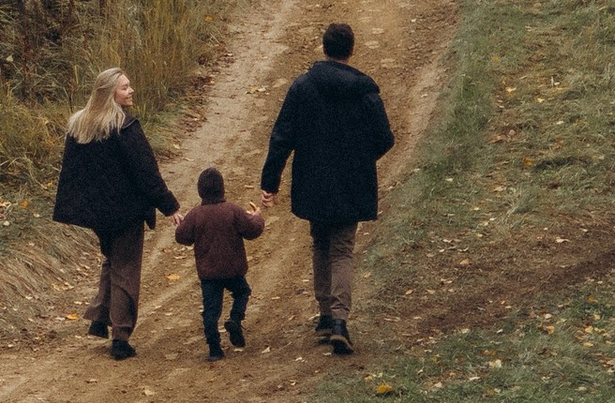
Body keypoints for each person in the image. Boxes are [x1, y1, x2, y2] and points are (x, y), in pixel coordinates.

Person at [258, 21, 394, 357]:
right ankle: (339, 321)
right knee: (343, 249)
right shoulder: (365, 92)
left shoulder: (303, 87)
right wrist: (362, 159)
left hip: (313, 180)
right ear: (352, 50)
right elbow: (385, 139)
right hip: (351, 182)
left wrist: (269, 184)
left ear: (323, 48)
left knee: (320, 242)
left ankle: (323, 316)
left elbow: (281, 137)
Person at [50, 65, 177, 361]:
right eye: (124, 87)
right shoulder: (125, 128)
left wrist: (77, 209)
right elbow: (147, 173)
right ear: (110, 94)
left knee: (112, 260)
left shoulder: (80, 126)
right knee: (126, 268)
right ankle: (120, 336)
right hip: (126, 212)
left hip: (96, 215)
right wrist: (169, 206)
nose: (130, 91)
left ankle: (99, 317)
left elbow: (71, 174)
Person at [172, 165, 265, 360]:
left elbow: (182, 237)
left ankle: (214, 349)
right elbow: (251, 230)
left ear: (200, 191)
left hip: (209, 274)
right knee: (242, 292)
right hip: (234, 270)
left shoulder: (196, 214)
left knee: (211, 310)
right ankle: (235, 318)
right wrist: (257, 217)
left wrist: (181, 226)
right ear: (222, 188)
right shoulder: (232, 210)